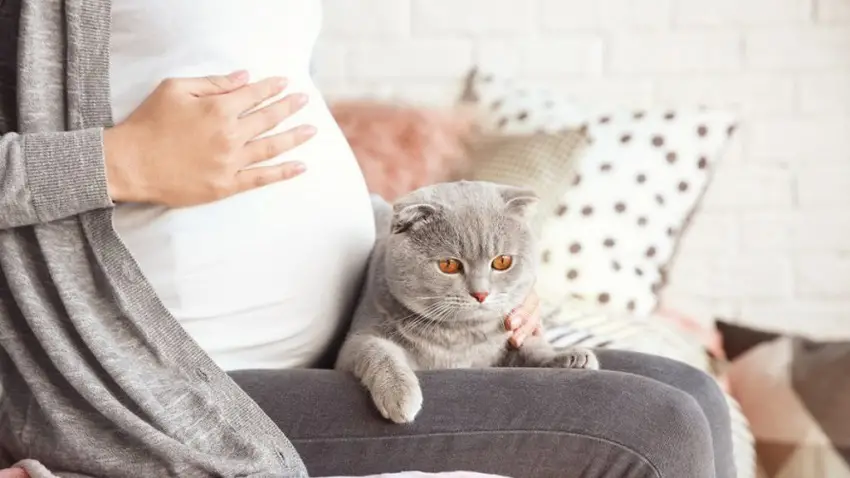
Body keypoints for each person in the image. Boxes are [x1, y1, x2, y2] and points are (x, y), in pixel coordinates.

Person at [0, 1, 736, 477]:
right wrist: (120, 161)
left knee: (693, 390)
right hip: (165, 386)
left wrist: (462, 263)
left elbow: (283, 135)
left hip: (347, 334)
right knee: (651, 431)